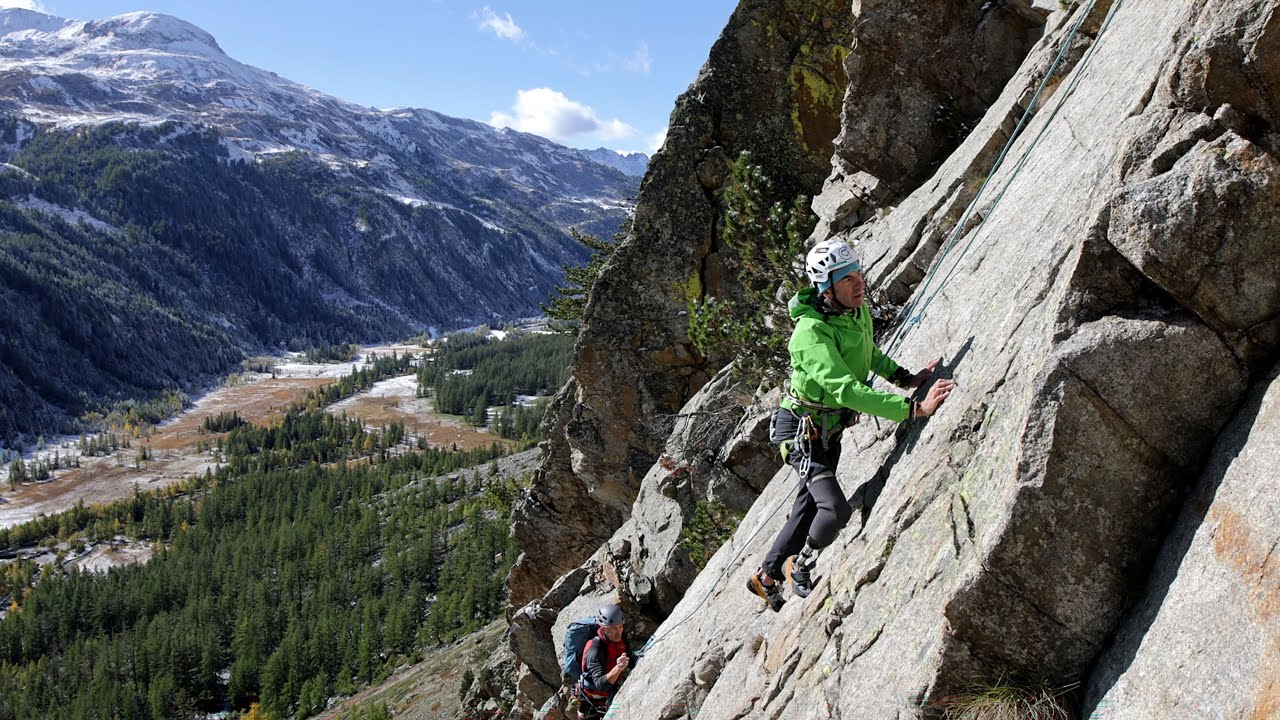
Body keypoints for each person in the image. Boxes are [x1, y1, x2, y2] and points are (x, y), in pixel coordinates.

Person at [747, 239, 956, 611]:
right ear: (826, 288)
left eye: (858, 273)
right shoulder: (809, 335)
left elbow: (866, 351)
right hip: (800, 433)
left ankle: (766, 576)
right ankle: (802, 566)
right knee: (835, 511)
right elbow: (846, 389)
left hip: (826, 430)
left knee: (808, 507)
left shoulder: (853, 311)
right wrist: (913, 408)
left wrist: (906, 377)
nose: (859, 283)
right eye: (847, 279)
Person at [576, 603, 635, 719]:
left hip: (609, 693)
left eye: (620, 627)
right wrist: (618, 668)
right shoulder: (595, 650)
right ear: (603, 628)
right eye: (613, 628)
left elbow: (631, 659)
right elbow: (601, 684)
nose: (618, 632)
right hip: (593, 702)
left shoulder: (619, 638)